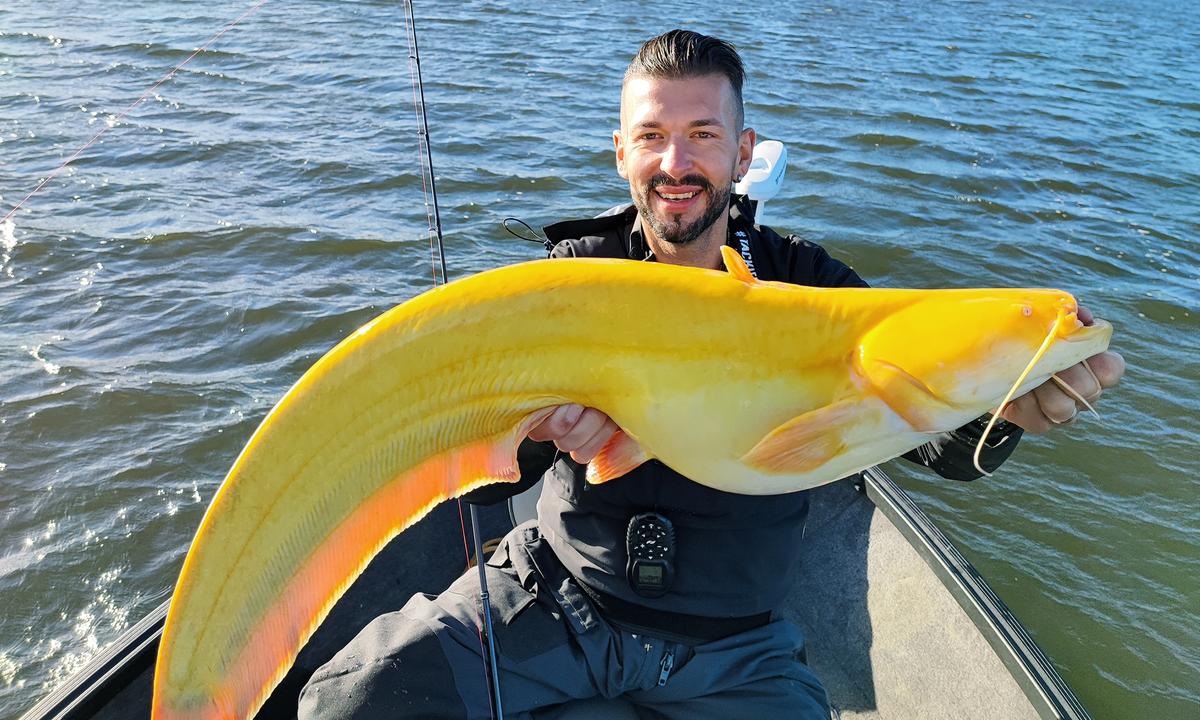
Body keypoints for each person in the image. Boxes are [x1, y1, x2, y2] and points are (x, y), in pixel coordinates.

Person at [298, 29, 1125, 719]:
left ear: (743, 149)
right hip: (556, 594)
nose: (676, 164)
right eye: (653, 136)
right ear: (622, 150)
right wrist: (538, 440)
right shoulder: (572, 279)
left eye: (702, 135)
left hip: (735, 644)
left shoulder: (815, 290)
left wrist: (1013, 412)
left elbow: (930, 445)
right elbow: (472, 489)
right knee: (347, 701)